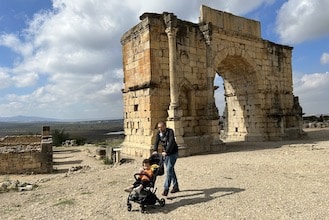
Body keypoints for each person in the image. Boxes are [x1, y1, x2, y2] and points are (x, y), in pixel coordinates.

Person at [153, 121, 180, 196]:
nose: (160, 129)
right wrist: (155, 150)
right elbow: (156, 142)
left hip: (173, 153)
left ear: (165, 126)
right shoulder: (159, 133)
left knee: (168, 170)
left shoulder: (170, 131)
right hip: (165, 154)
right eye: (158, 127)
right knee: (171, 169)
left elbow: (171, 142)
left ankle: (166, 188)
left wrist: (167, 151)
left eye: (161, 127)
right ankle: (176, 186)